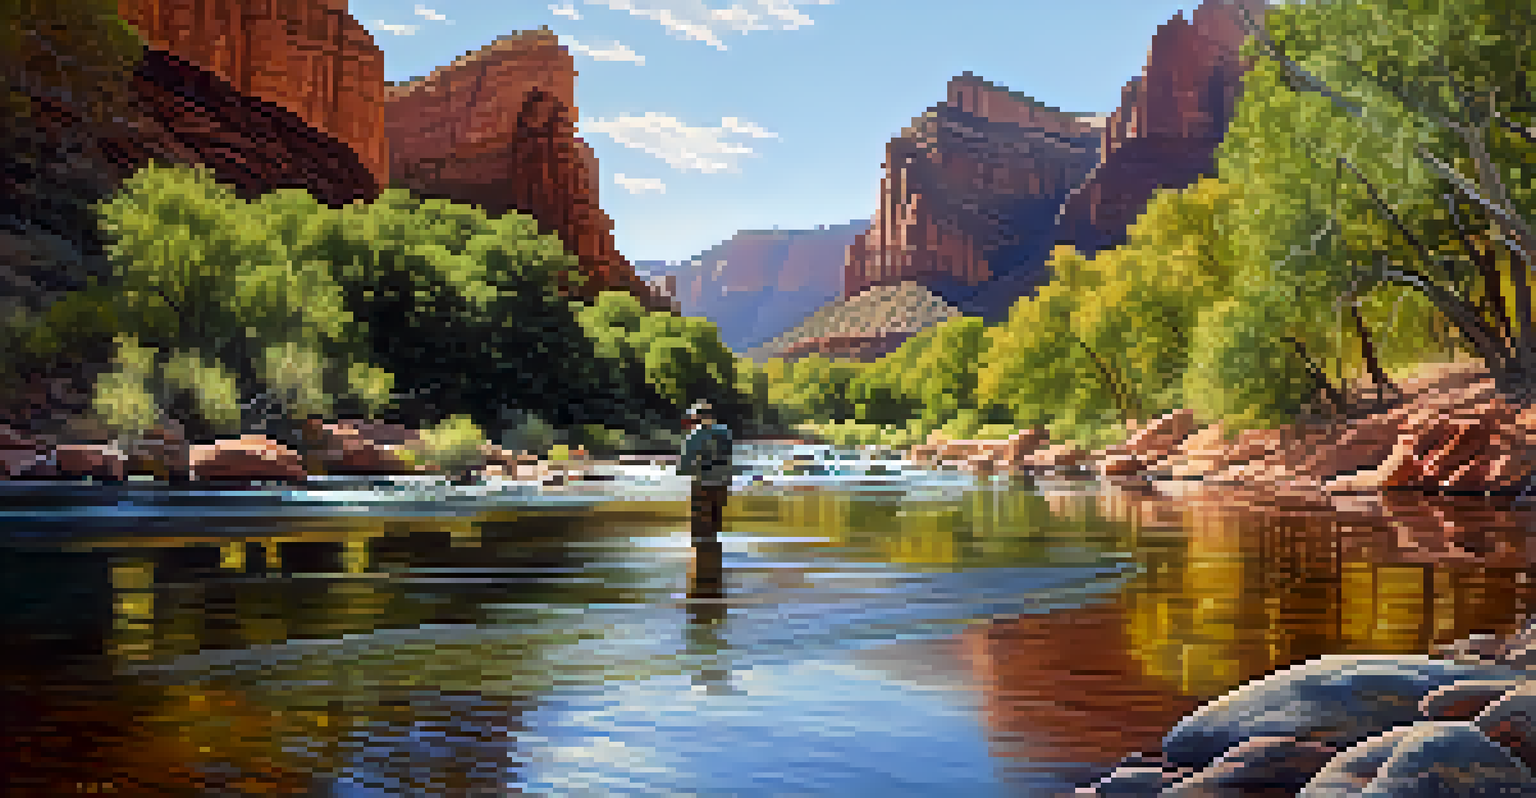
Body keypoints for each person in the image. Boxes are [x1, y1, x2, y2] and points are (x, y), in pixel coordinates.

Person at [678, 400, 734, 548]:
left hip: (703, 481)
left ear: (696, 418)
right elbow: (729, 457)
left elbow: (685, 464)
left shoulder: (695, 435)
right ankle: (714, 552)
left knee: (700, 523)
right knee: (715, 520)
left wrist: (682, 472)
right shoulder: (725, 432)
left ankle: (703, 555)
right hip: (722, 481)